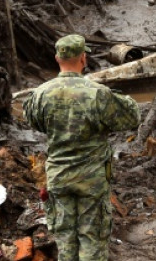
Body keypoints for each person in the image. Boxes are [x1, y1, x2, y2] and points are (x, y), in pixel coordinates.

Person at [23, 34, 140, 261]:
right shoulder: (97, 93)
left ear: (57, 58)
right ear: (83, 58)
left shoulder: (40, 94)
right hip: (92, 178)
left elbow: (33, 121)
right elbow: (131, 117)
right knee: (92, 239)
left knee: (65, 239)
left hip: (58, 176)